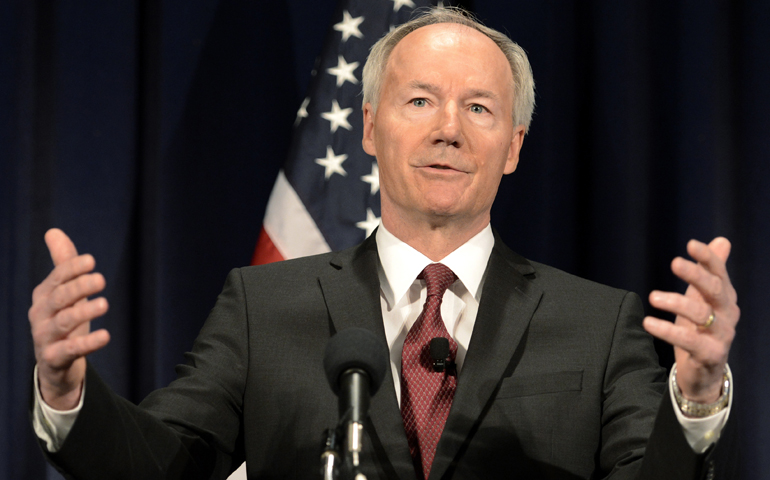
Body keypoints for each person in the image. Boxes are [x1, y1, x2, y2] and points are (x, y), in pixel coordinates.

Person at [29, 8, 738, 480]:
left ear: (514, 146)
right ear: (369, 128)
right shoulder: (261, 307)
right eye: (420, 100)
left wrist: (696, 400)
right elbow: (167, 466)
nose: (448, 129)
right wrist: (68, 394)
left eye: (480, 108)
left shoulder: (598, 324)